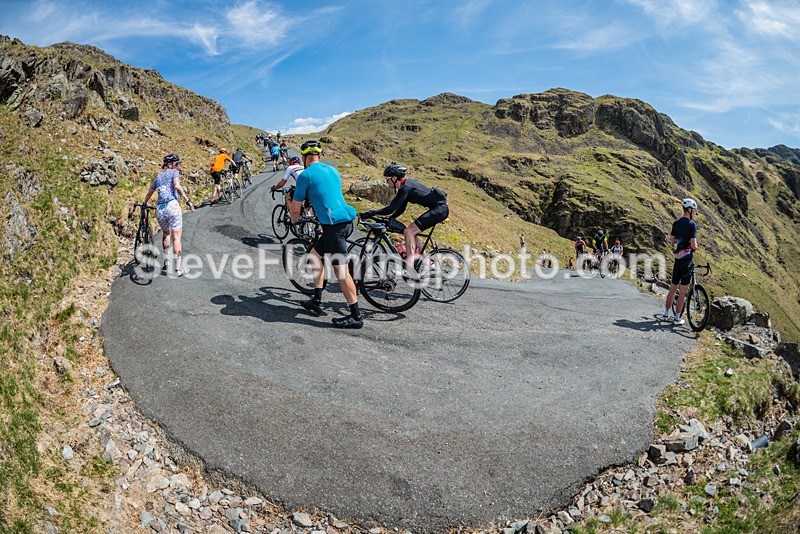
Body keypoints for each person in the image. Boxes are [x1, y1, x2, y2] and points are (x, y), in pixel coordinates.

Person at [290, 140, 363, 329]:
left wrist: (292, 220)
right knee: (315, 256)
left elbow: (296, 209)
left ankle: (356, 316)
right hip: (345, 222)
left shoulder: (305, 175)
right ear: (319, 156)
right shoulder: (333, 170)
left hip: (334, 227)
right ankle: (317, 300)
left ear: (305, 158)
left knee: (341, 272)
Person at [361, 164, 449, 267]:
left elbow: (391, 208)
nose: (386, 182)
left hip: (439, 210)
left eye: (387, 179)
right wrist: (390, 219)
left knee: (409, 232)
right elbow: (401, 209)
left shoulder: (405, 188)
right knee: (412, 232)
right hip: (439, 209)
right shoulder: (406, 186)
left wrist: (372, 212)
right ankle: (427, 262)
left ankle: (409, 266)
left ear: (394, 178)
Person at [142, 153, 195, 276]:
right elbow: (176, 186)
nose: (178, 167)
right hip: (172, 206)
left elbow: (149, 193)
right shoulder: (173, 173)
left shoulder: (158, 177)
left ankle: (166, 260)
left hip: (160, 209)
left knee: (166, 233)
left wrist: (144, 203)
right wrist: (188, 200)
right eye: (177, 164)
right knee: (176, 238)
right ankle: (178, 268)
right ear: (170, 165)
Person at [663, 198, 699, 325]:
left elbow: (672, 241)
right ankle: (677, 318)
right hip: (687, 261)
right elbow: (694, 246)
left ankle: (666, 314)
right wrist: (693, 244)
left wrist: (680, 242)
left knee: (673, 288)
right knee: (682, 291)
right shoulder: (692, 225)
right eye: (693, 210)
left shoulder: (676, 223)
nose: (693, 212)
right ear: (689, 210)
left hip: (677, 260)